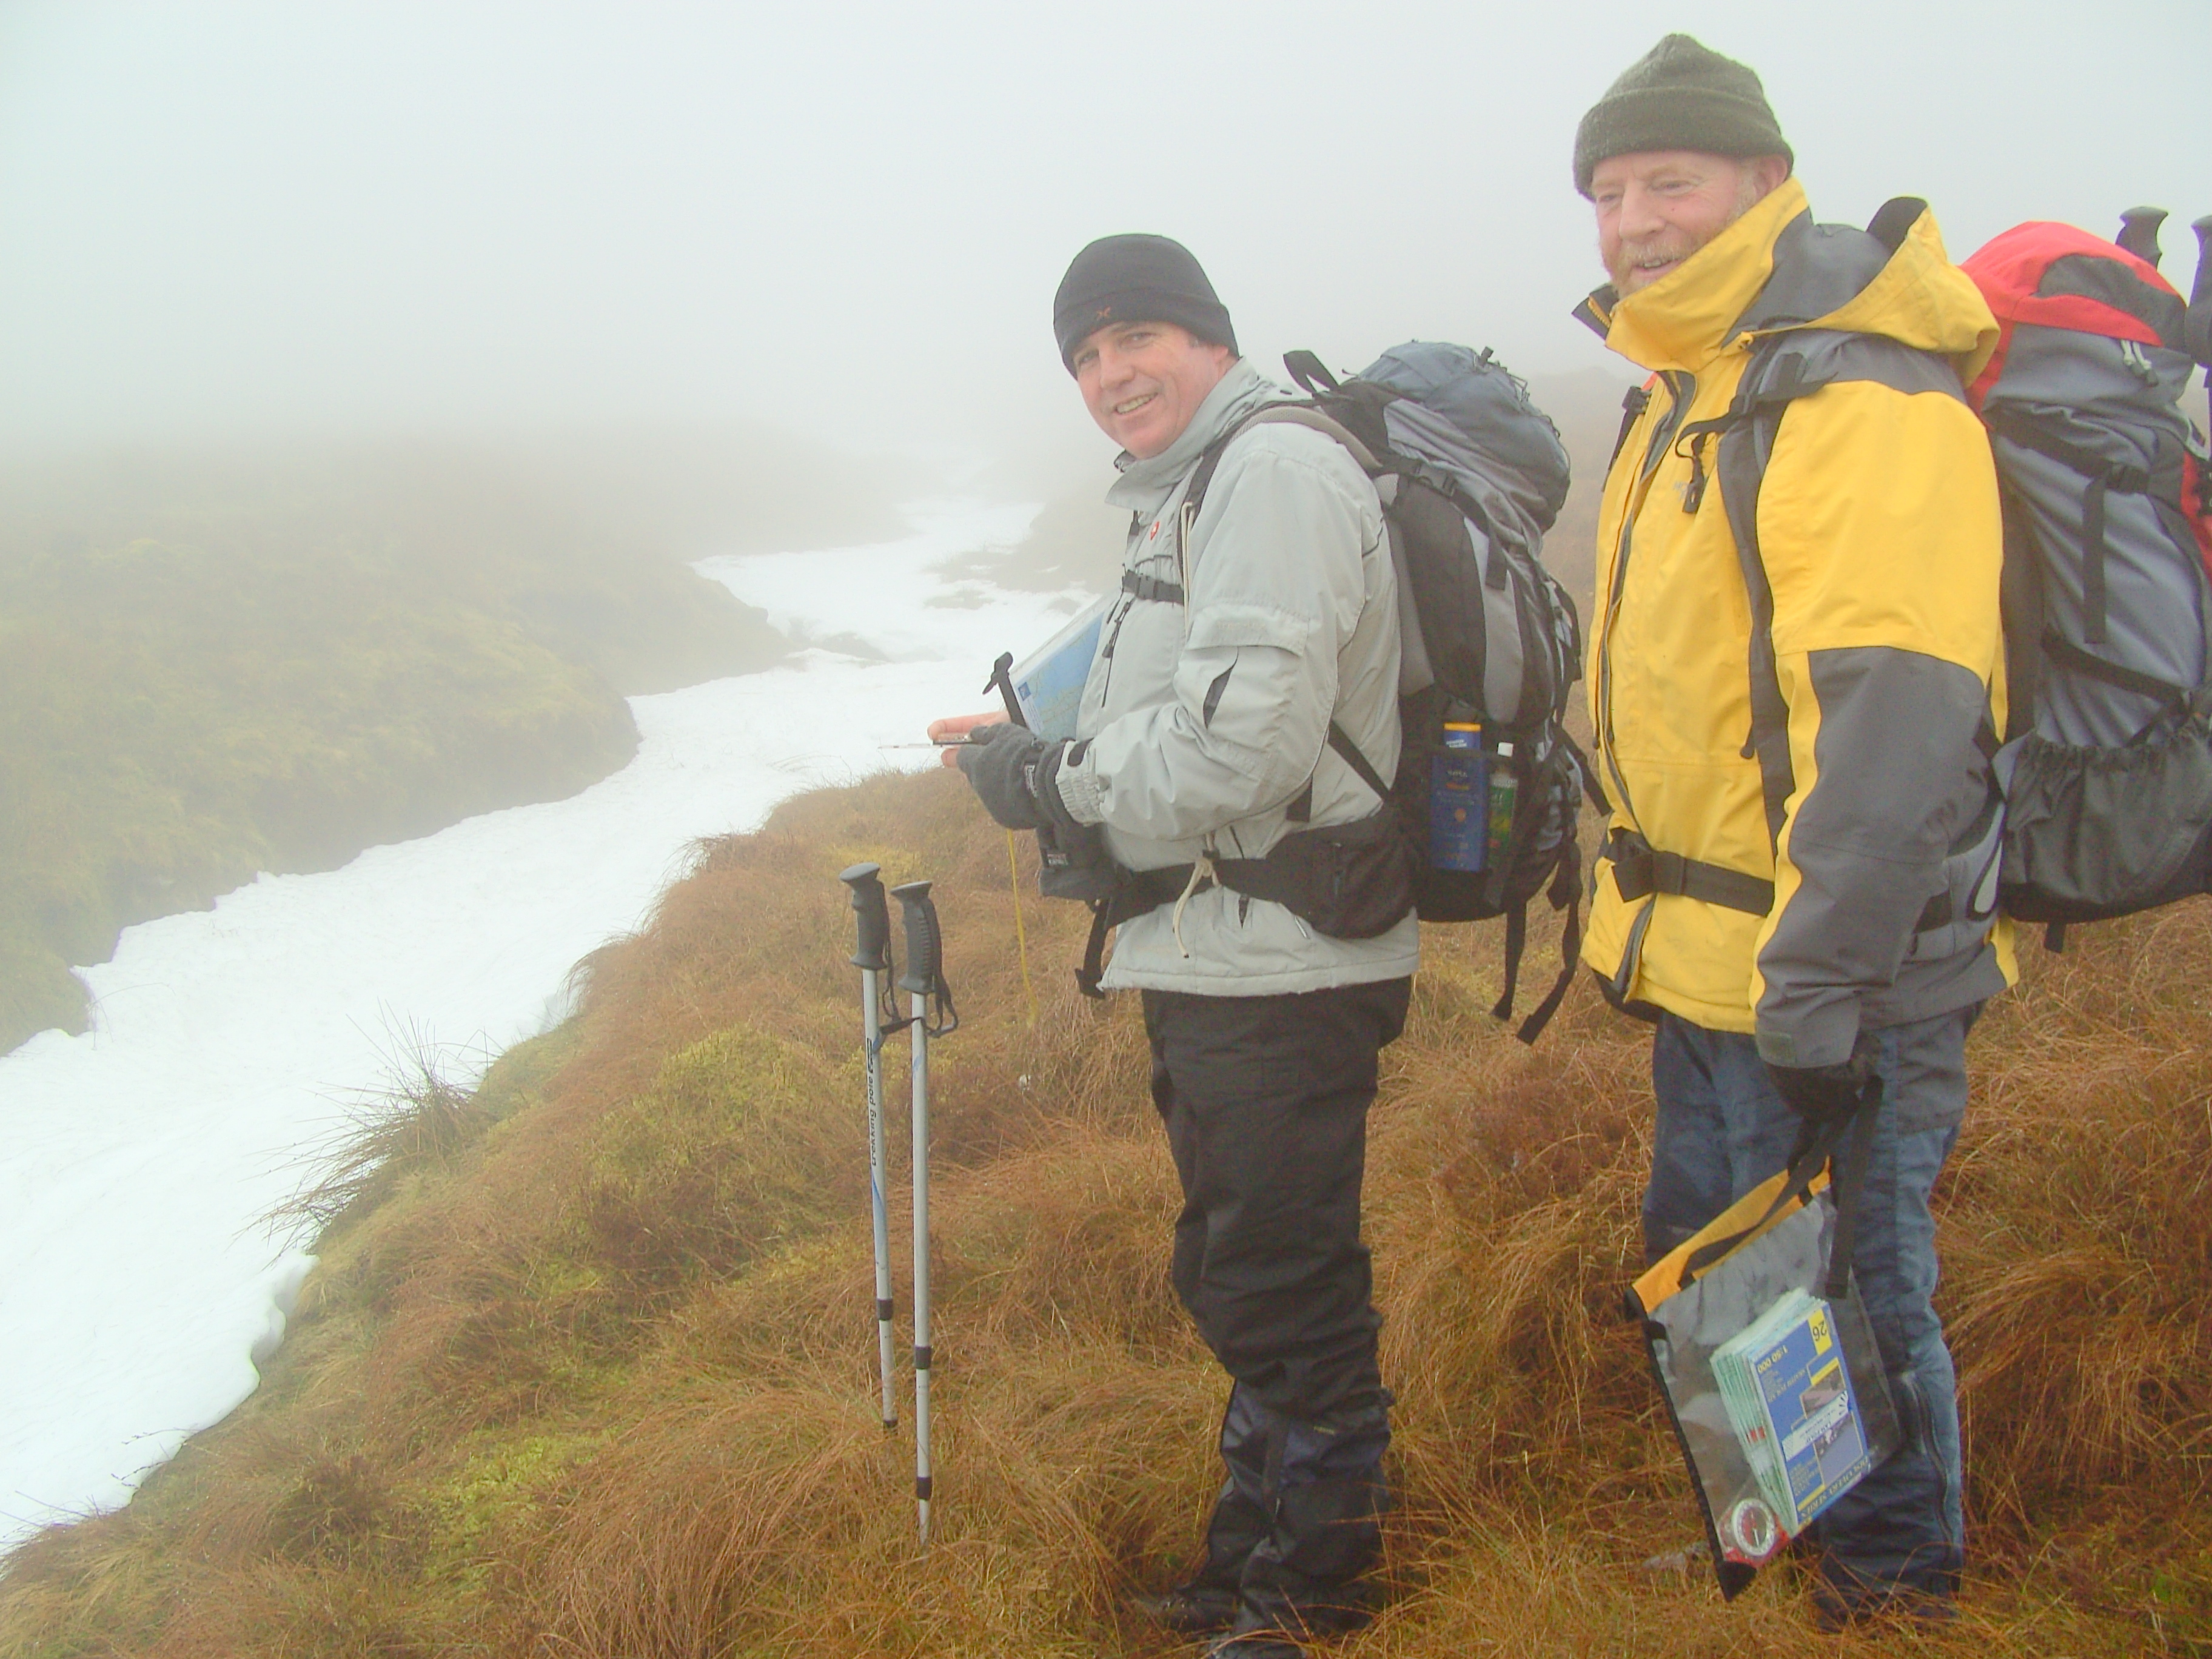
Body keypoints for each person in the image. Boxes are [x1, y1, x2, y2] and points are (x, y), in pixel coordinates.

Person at [1569, 35, 2012, 1624]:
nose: (1633, 220)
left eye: (1667, 180)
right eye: (1608, 192)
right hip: (1715, 972)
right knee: (1741, 1287)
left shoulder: (1855, 392)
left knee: (1855, 1296)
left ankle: (1895, 1596)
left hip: (1824, 973)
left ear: (1764, 180)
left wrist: (1818, 984)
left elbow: (1894, 723)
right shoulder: (1692, 391)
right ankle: (1798, 1536)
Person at [929, 233, 1417, 1658]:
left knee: (1283, 1279)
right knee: (1239, 1269)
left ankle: (1315, 1602)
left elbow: (1242, 749)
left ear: (1208, 336)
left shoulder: (1268, 472)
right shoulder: (1189, 489)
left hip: (1285, 960)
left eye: (1135, 336)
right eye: (1084, 355)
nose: (1109, 374)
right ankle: (1246, 1569)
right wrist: (1052, 753)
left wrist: (1054, 781)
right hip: (1224, 952)